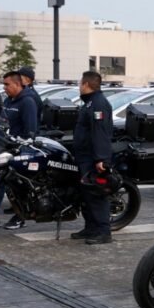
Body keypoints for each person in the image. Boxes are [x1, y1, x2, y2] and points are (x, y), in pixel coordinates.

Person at [0, 71, 39, 230]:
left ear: (17, 84)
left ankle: (20, 217)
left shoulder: (27, 102)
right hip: (4, 146)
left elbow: (31, 130)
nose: (4, 87)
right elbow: (4, 122)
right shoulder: (8, 101)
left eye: (7, 84)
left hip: (18, 150)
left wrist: (22, 144)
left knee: (17, 185)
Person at [70, 71, 114, 245]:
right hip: (84, 156)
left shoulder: (98, 104)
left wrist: (101, 159)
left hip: (92, 158)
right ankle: (91, 227)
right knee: (86, 195)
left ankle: (103, 231)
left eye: (80, 83)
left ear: (86, 84)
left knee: (96, 195)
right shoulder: (89, 103)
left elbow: (100, 133)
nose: (79, 86)